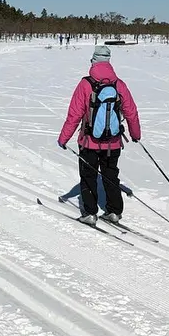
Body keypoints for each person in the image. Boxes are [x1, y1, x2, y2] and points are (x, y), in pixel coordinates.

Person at [57, 45, 140, 226]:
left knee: (89, 177)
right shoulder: (119, 84)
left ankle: (90, 213)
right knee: (110, 175)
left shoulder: (85, 84)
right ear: (109, 62)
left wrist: (64, 138)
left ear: (93, 60)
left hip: (89, 142)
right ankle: (114, 211)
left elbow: (74, 115)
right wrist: (135, 134)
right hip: (114, 143)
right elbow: (131, 111)